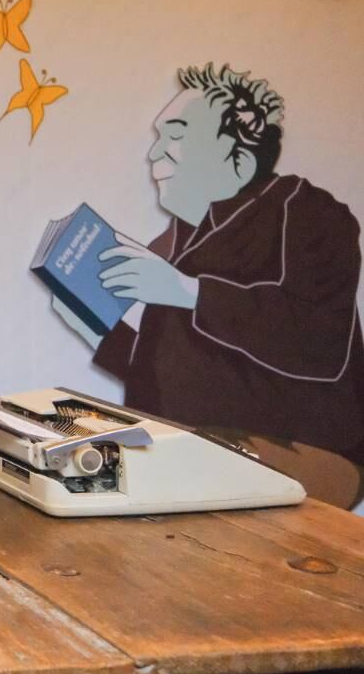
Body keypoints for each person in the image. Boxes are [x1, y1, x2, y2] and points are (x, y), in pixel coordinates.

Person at [51, 62, 364, 466]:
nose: (154, 153)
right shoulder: (178, 242)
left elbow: (318, 343)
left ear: (239, 158)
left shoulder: (304, 211)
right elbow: (179, 374)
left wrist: (187, 292)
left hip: (305, 453)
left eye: (177, 134)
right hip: (200, 449)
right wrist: (97, 331)